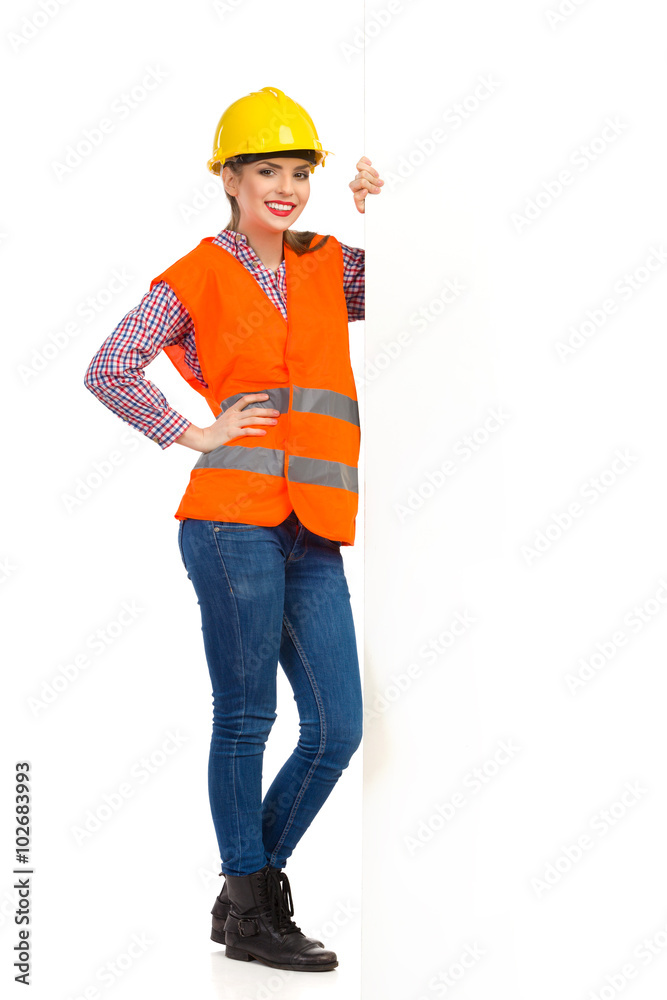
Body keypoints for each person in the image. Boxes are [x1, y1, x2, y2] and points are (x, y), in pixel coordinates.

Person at [84, 85, 383, 973]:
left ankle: (244, 890)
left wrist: (381, 208)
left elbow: (415, 279)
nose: (285, 186)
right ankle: (253, 912)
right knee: (247, 716)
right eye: (266, 170)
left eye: (299, 171)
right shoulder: (196, 272)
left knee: (336, 728)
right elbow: (110, 367)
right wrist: (194, 431)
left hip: (315, 522)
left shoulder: (331, 261)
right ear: (229, 176)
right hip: (229, 525)